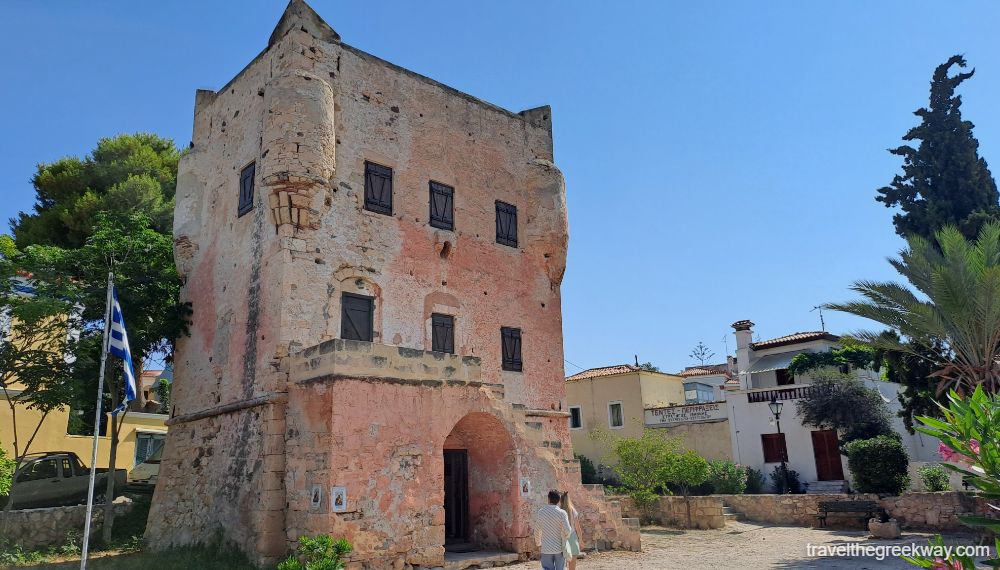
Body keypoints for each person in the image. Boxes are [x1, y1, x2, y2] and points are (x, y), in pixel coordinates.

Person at [536, 490, 571, 570]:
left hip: (546, 548)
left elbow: (537, 530)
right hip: (559, 548)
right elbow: (568, 530)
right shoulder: (562, 513)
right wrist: (565, 539)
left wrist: (538, 543)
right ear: (558, 500)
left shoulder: (541, 512)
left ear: (548, 499)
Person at [560, 492, 583, 569]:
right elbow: (578, 528)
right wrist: (581, 540)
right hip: (572, 538)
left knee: (561, 565)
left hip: (561, 538)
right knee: (572, 566)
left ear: (560, 500)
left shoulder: (559, 511)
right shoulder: (573, 511)